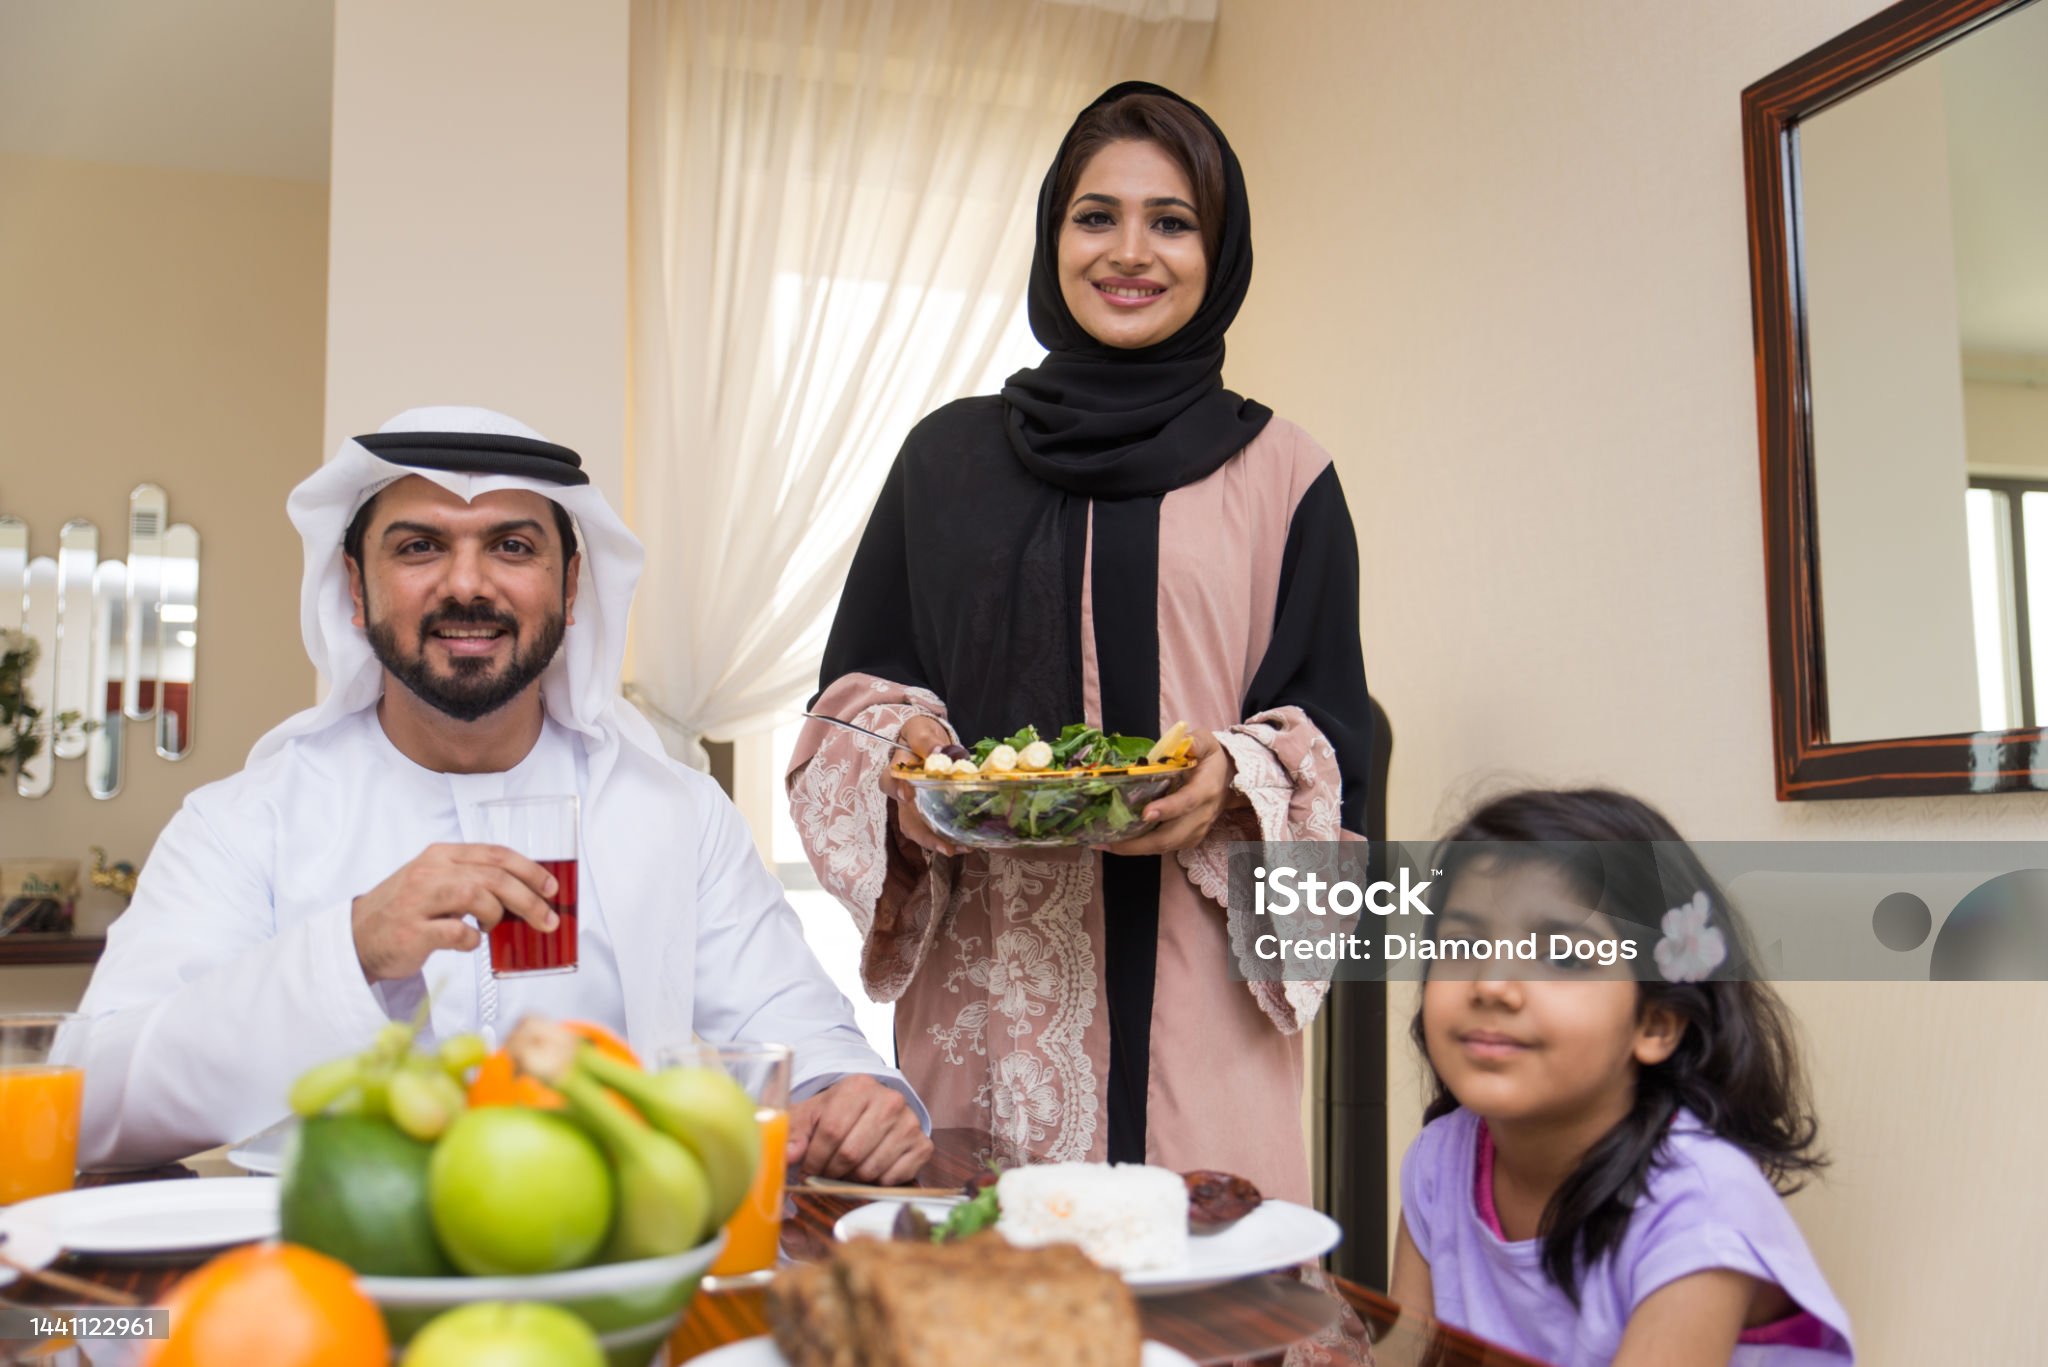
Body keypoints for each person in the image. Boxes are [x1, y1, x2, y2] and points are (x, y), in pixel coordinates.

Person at [75, 406, 931, 1183]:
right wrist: (350, 950)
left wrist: (848, 1093)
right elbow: (96, 1104)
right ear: (353, 586)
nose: (467, 584)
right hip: (328, 1284)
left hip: (619, 1272)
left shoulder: (670, 812)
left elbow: (792, 1022)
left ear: (568, 589)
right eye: (419, 547)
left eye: (513, 547)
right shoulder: (245, 822)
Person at [788, 83, 1372, 1202]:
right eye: (1093, 215)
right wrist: (904, 750)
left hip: (1197, 993)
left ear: (1220, 249)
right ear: (1052, 234)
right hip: (983, 996)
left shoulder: (1285, 474)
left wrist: (1232, 776)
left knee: (1194, 1300)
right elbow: (851, 695)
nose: (1128, 252)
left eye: (1172, 220)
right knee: (980, 1295)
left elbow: (1334, 729)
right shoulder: (943, 461)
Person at [1389, 789, 1854, 1366]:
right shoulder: (1439, 1161)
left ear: (1657, 1021)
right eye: (1463, 945)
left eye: (1560, 955)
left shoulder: (1702, 1209)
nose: (1489, 984)